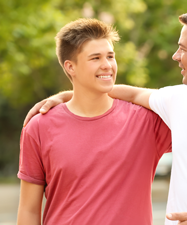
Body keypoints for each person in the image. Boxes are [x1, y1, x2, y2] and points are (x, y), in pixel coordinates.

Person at [22, 9, 187, 225]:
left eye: (183, 49)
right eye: (96, 57)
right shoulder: (180, 101)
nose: (175, 56)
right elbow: (133, 93)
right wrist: (67, 95)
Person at [17, 19, 173, 225]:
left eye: (110, 56)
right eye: (95, 58)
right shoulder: (39, 127)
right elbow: (28, 211)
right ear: (70, 67)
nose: (107, 65)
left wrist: (66, 95)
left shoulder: (147, 121)